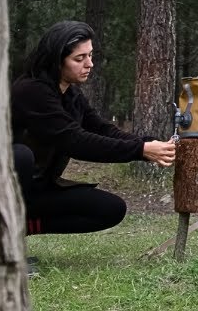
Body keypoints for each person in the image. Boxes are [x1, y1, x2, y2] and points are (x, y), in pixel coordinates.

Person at [11, 20, 177, 237]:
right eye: (79, 58)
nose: (89, 64)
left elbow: (102, 129)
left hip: (37, 188)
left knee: (110, 209)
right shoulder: (31, 91)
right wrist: (140, 150)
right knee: (20, 156)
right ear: (56, 61)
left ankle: (15, 230)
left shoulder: (70, 94)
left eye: (90, 55)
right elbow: (75, 141)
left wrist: (149, 145)